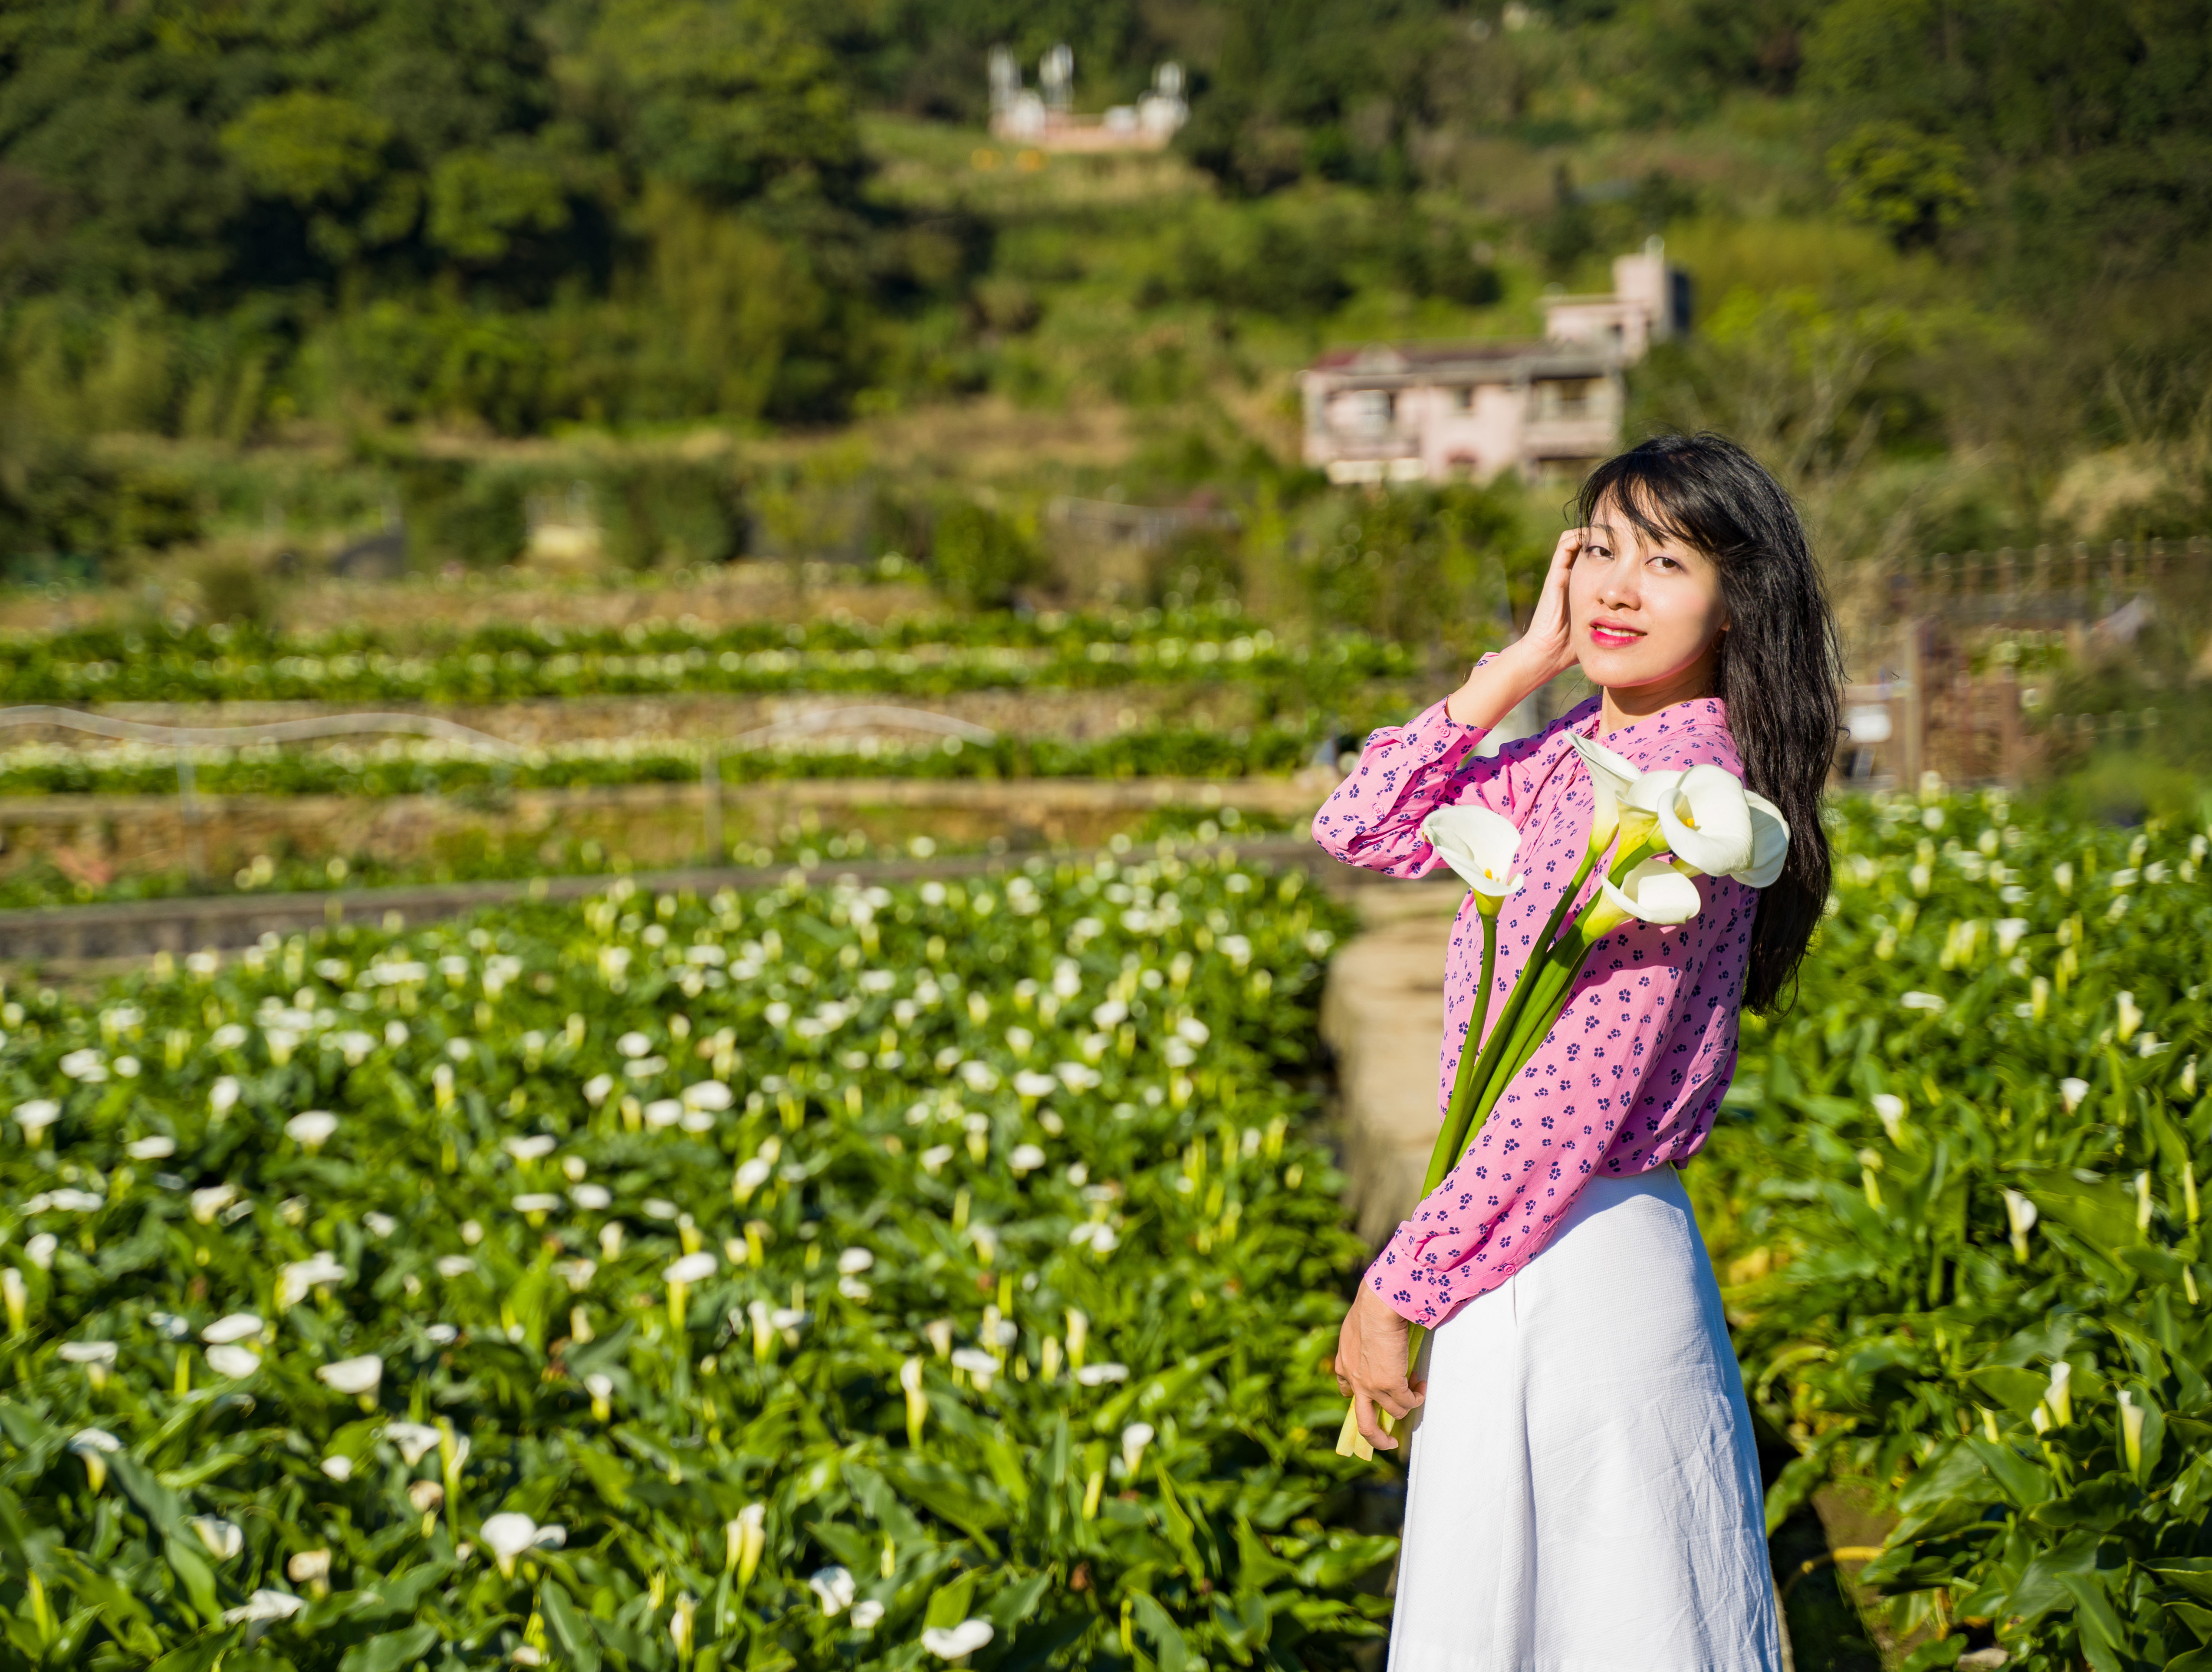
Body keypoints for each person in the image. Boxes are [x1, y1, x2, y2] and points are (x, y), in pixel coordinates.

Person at [1312, 433, 1842, 1671]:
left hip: (1582, 1262)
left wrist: (1397, 1285)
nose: (1614, 588)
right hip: (1518, 1252)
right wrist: (1520, 664)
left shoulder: (1684, 803)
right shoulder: (1575, 756)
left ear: (1734, 601)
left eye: (1664, 562)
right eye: (1598, 550)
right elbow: (1361, 822)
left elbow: (1565, 1100)